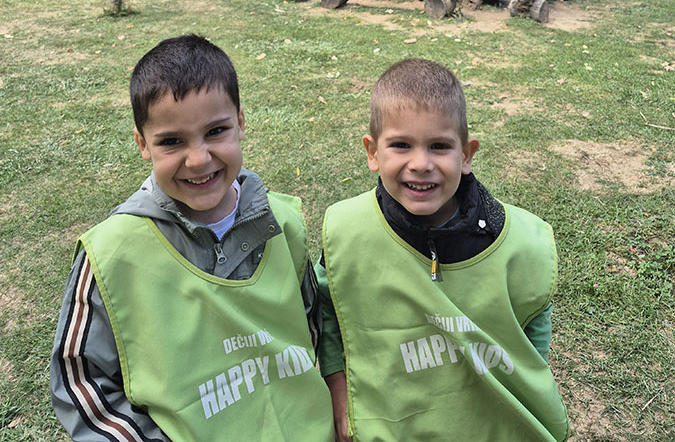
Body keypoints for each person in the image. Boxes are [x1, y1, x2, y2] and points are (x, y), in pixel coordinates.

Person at [51, 34, 333, 442]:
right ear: (142, 143)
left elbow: (310, 327)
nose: (198, 159)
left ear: (240, 122)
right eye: (171, 141)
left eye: (215, 131)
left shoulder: (284, 223)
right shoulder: (111, 254)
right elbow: (80, 380)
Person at [317, 58, 569, 442]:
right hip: (390, 425)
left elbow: (533, 318)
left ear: (466, 154)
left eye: (439, 146)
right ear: (372, 152)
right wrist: (339, 390)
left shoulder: (522, 243)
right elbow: (330, 311)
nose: (421, 164)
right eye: (401, 145)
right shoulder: (345, 234)